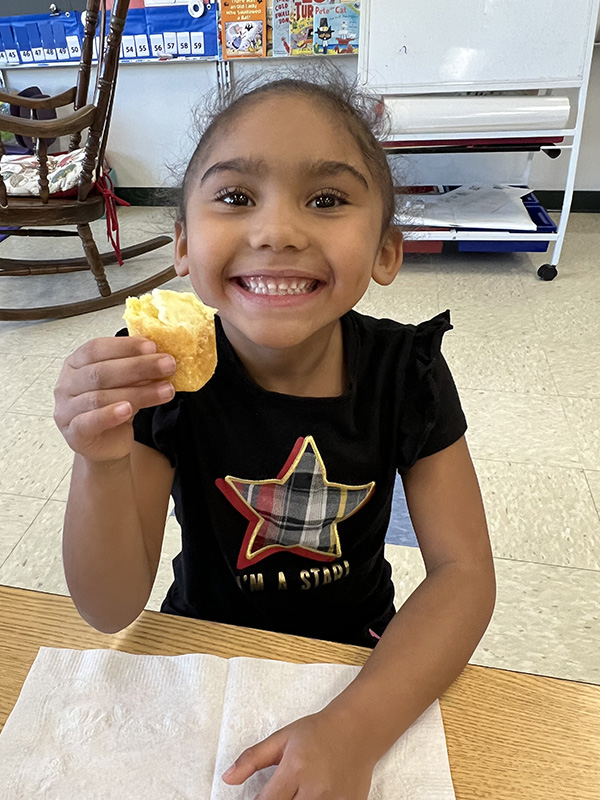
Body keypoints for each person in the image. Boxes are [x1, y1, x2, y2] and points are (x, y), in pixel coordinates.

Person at [54, 77, 496, 800]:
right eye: (235, 197)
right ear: (184, 249)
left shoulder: (406, 373)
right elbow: (109, 607)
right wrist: (98, 464)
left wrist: (354, 730)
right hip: (202, 648)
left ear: (387, 251)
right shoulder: (156, 374)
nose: (276, 231)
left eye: (326, 200)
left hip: (359, 658)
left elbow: (465, 576)